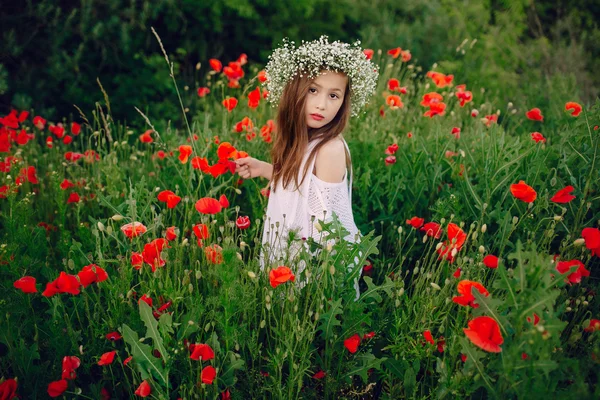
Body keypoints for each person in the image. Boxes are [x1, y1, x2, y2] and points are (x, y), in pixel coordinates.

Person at [234, 35, 379, 297]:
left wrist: (318, 292)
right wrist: (265, 169)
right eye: (313, 90)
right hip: (294, 266)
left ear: (344, 102)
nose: (322, 104)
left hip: (315, 280)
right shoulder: (307, 139)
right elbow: (303, 186)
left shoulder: (330, 149)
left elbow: (330, 226)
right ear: (295, 90)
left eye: (334, 95)